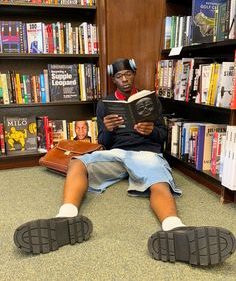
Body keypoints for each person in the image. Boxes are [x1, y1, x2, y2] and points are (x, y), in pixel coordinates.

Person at [13, 58, 236, 266]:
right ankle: (65, 217)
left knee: (158, 181)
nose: (125, 79)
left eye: (128, 74)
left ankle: (175, 229)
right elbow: (103, 141)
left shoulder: (150, 99)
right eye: (120, 76)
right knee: (77, 163)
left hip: (145, 153)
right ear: (114, 80)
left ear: (134, 74)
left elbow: (162, 137)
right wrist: (108, 129)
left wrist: (150, 131)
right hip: (116, 153)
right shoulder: (105, 103)